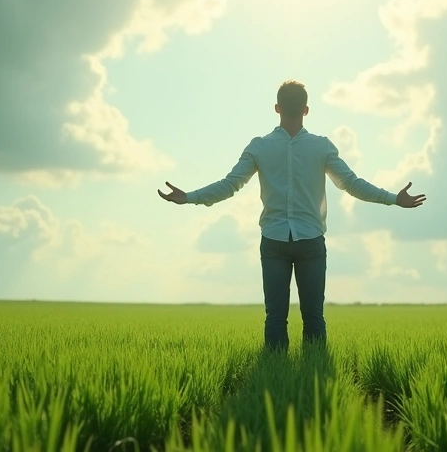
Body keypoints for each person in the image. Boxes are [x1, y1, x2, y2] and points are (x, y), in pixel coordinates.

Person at [157, 80, 426, 351]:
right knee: (314, 318)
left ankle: (275, 377)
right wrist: (394, 199)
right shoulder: (321, 147)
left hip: (273, 240)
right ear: (306, 110)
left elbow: (230, 185)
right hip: (310, 240)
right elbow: (352, 184)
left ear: (277, 108)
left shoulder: (259, 147)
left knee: (275, 318)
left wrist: (189, 196)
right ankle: (315, 376)